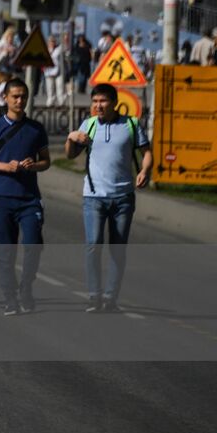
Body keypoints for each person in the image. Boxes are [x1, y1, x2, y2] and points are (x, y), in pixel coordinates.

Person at [65, 83, 153, 313]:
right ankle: (94, 295)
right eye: (94, 102)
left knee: (117, 249)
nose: (98, 106)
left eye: (103, 101)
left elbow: (147, 153)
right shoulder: (89, 125)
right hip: (93, 197)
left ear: (115, 103)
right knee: (93, 244)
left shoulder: (131, 124)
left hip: (123, 198)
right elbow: (69, 153)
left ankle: (110, 297)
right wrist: (71, 137)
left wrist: (145, 171)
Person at [0, 77, 50, 315]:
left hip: (29, 198)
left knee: (33, 245)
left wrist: (33, 165)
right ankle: (10, 297)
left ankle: (26, 287)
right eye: (15, 96)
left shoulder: (36, 128)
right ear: (5, 98)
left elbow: (46, 161)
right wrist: (5, 167)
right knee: (5, 251)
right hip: (3, 195)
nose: (19, 100)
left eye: (23, 96)